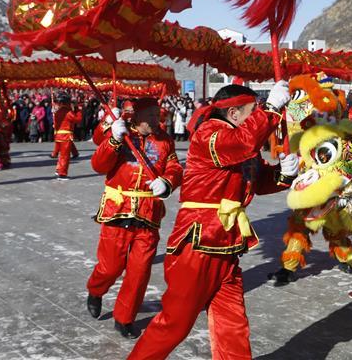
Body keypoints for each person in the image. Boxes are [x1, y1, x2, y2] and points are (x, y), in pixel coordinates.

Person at [127, 81, 297, 360]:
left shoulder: (241, 142)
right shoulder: (210, 133)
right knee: (176, 323)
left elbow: (257, 179)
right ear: (233, 114)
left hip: (227, 243)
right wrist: (270, 109)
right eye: (251, 112)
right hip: (198, 243)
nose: (255, 116)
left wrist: (283, 173)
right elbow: (242, 143)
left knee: (232, 325)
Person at [85, 98, 183, 339]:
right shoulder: (120, 131)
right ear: (136, 117)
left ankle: (125, 317)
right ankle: (96, 290)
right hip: (117, 210)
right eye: (149, 117)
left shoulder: (165, 140)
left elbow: (174, 168)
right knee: (110, 267)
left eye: (156, 116)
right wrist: (114, 140)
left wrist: (167, 181)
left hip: (148, 213)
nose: (155, 121)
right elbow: (99, 165)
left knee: (139, 272)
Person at [52, 95, 81, 179]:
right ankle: (62, 173)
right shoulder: (68, 112)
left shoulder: (57, 112)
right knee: (65, 156)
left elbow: (56, 125)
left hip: (59, 135)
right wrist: (77, 109)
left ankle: (58, 169)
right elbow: (78, 119)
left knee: (61, 155)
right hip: (66, 136)